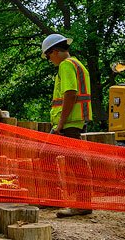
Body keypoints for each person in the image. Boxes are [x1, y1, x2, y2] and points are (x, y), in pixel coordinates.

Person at [40, 33, 93, 216]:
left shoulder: (66, 65)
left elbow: (70, 94)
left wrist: (60, 124)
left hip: (69, 122)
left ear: (54, 51)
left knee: (72, 161)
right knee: (49, 156)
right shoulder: (78, 64)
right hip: (73, 120)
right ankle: (57, 199)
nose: (49, 60)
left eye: (48, 56)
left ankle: (81, 203)